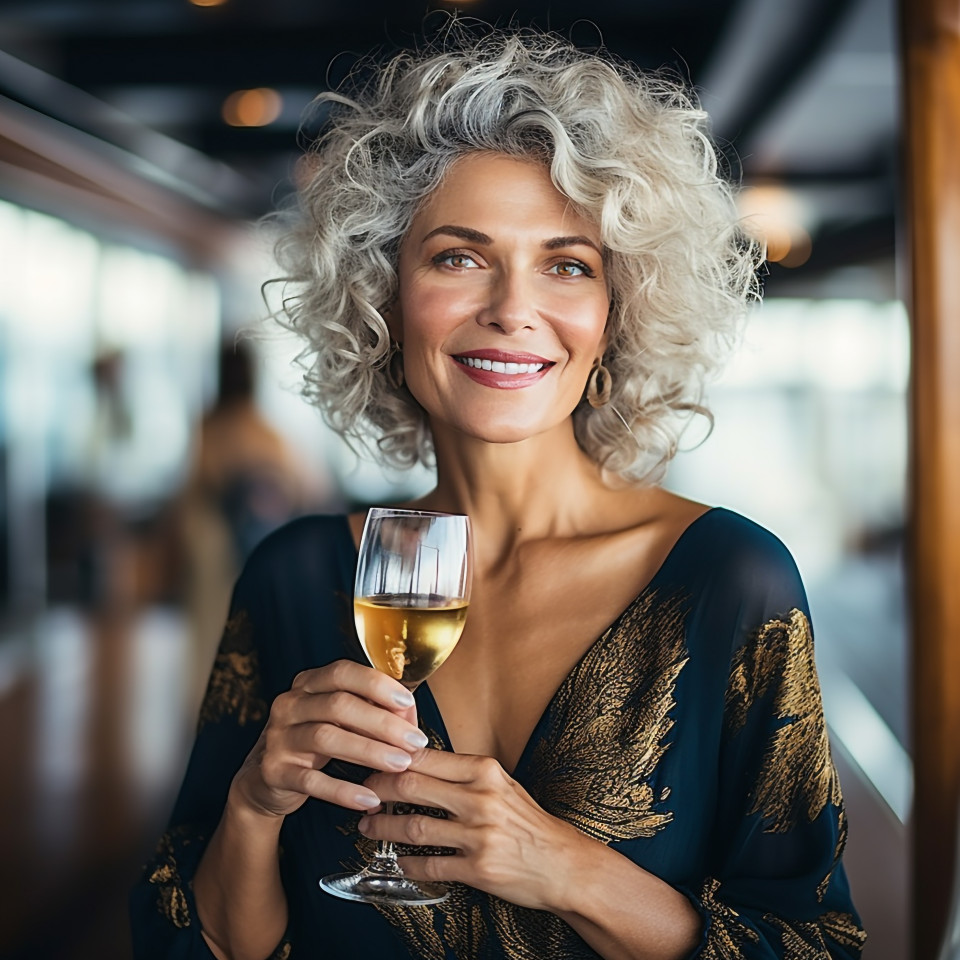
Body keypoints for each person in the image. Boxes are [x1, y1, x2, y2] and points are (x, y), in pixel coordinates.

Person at [131, 26, 865, 960]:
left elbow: (815, 945)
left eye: (567, 264)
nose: (512, 307)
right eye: (458, 257)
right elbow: (193, 943)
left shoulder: (732, 581)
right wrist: (251, 805)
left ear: (617, 314)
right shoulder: (299, 574)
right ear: (383, 296)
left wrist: (561, 866)